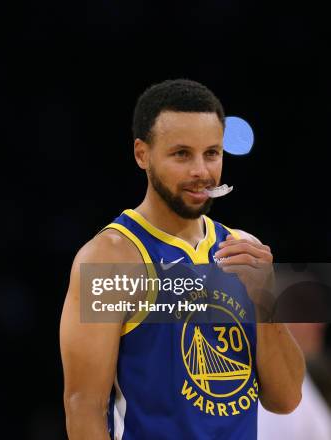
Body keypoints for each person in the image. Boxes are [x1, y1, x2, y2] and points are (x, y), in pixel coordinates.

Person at [60, 79, 305, 439]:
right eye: (181, 154)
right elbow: (83, 407)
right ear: (142, 154)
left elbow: (286, 400)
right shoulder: (112, 258)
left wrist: (264, 304)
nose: (201, 172)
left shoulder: (243, 249)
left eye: (212, 153)